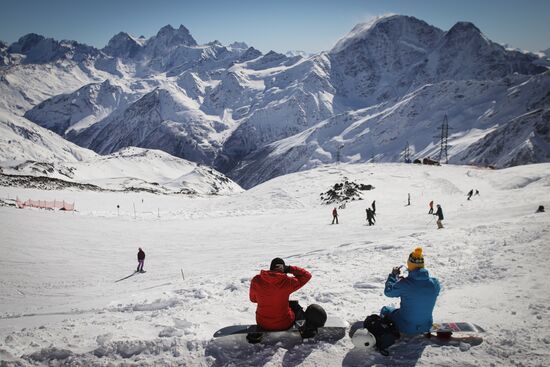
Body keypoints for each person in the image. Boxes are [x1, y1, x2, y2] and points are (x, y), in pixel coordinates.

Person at [249, 258, 327, 340]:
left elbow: (253, 299)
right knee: (295, 306)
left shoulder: (256, 280)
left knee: (287, 304)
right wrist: (289, 268)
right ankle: (304, 328)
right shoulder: (287, 281)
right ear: (283, 268)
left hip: (262, 323)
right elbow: (306, 275)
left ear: (271, 268)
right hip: (284, 324)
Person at [380, 247, 440, 335]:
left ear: (409, 264)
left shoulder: (404, 284)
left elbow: (388, 292)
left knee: (386, 310)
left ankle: (383, 332)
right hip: (427, 325)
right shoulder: (435, 283)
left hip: (406, 326)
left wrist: (393, 276)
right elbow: (421, 292)